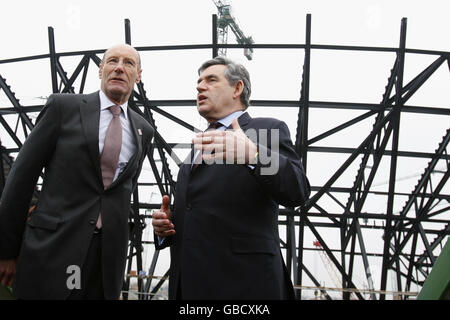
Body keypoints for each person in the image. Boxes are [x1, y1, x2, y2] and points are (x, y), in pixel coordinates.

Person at [0, 44, 154, 300]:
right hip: (52, 249)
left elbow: (121, 192)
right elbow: (21, 179)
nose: (119, 67)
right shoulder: (63, 108)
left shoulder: (143, 130)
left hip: (105, 260)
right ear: (100, 70)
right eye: (112, 61)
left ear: (138, 75)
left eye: (128, 63)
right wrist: (6, 250)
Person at [152, 56, 310, 299]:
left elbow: (297, 190)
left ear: (238, 88)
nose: (200, 87)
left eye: (211, 80)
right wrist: (165, 230)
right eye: (199, 82)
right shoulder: (194, 152)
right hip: (189, 290)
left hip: (246, 287)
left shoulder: (265, 130)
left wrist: (254, 154)